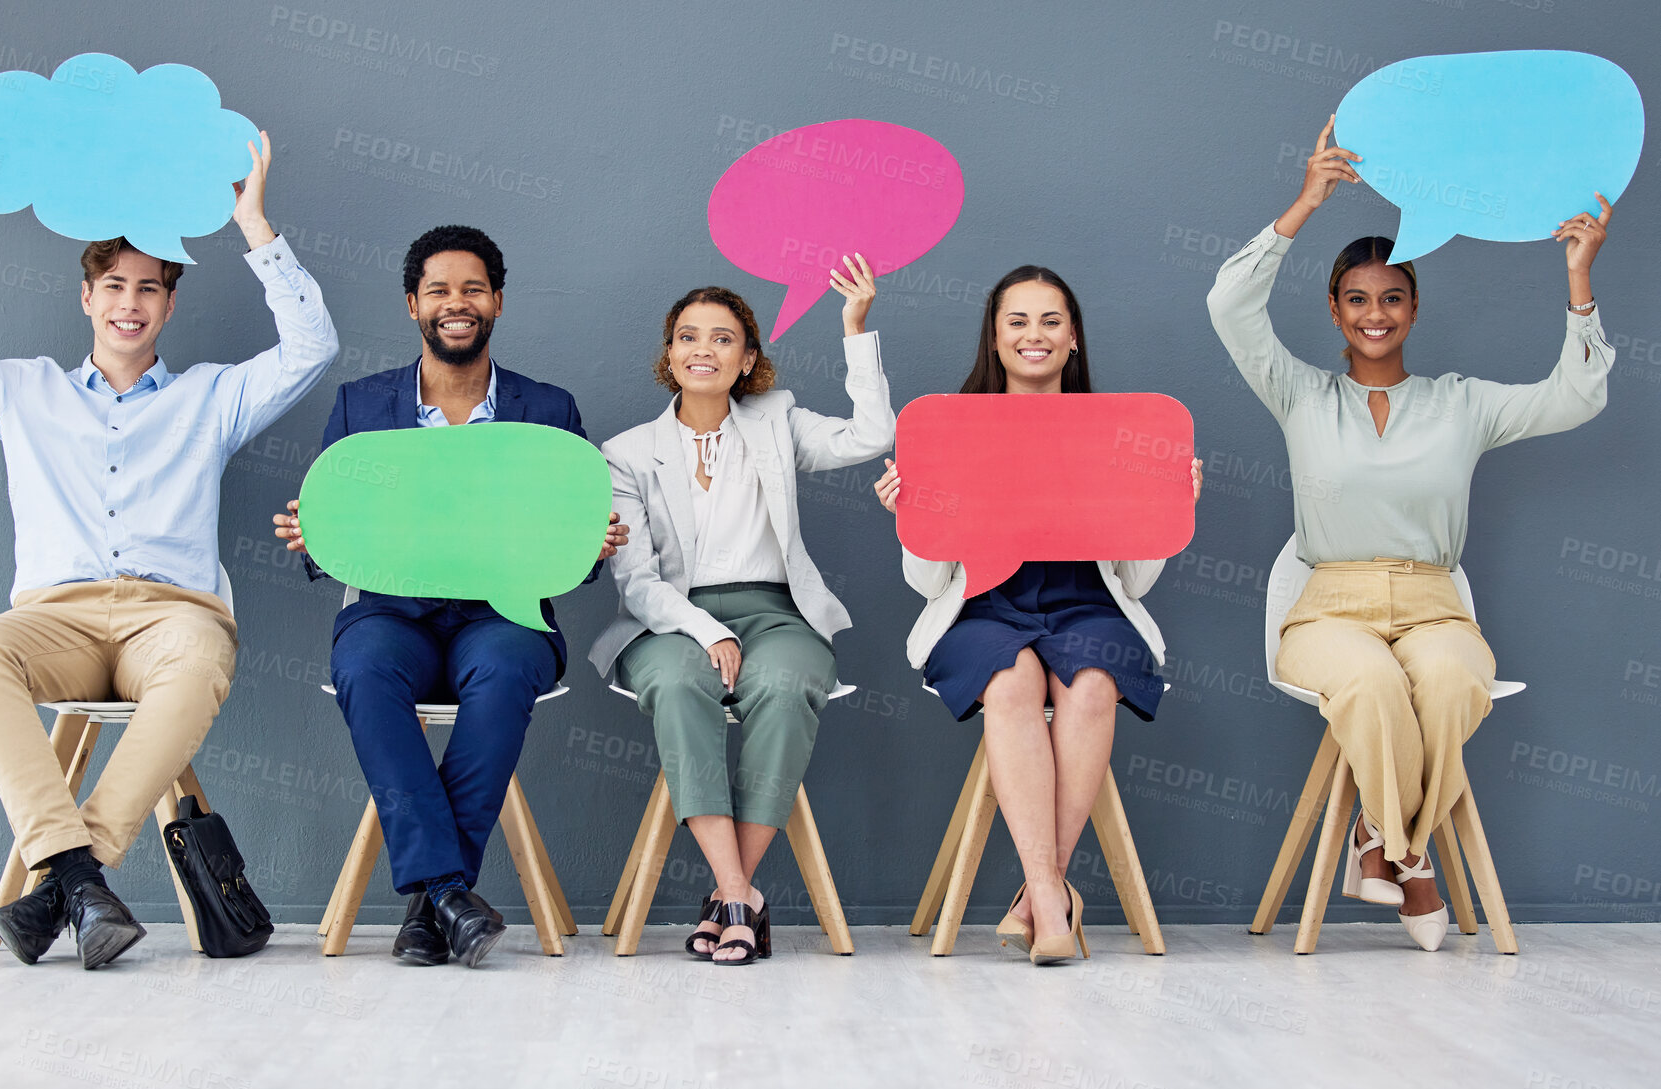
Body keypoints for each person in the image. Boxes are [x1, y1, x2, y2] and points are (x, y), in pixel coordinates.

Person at [0, 117, 338, 968]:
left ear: (170, 304)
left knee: (202, 656)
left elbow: (312, 346)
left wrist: (254, 228)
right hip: (55, 618)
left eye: (149, 288)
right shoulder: (21, 392)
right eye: (115, 285)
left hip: (171, 618)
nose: (130, 302)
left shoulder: (212, 397)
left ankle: (64, 874)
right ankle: (79, 876)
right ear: (87, 297)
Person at [1206, 116, 1614, 951]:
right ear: (1333, 309)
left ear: (1414, 308)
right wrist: (1306, 201)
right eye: (1356, 299)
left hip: (1434, 605)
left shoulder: (1460, 402)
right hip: (1329, 608)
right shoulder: (1300, 394)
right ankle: (1411, 857)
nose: (1374, 314)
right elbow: (1228, 306)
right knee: (1370, 687)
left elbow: (1575, 397)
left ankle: (1378, 838)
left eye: (1391, 297)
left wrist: (1578, 280)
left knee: (1457, 682)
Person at [273, 226, 626, 968]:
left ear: (497, 301)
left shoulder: (549, 409)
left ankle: (433, 896)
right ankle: (448, 892)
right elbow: (335, 517)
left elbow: (570, 541)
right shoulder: (361, 405)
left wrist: (590, 547)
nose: (455, 303)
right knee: (364, 670)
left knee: (504, 672)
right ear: (412, 305)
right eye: (438, 289)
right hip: (389, 611)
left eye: (472, 288)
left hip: (503, 613)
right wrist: (314, 534)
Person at [875, 266, 1201, 965]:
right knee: (1010, 680)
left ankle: (1039, 894)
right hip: (982, 608)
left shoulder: (1114, 433)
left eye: (1050, 320)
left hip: (1088, 601)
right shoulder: (951, 428)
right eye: (1016, 321)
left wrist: (1169, 505)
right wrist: (914, 517)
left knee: (1090, 685)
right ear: (993, 338)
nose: (1034, 335)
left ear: (1073, 336)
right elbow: (929, 581)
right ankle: (1052, 895)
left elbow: (1135, 582)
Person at [588, 259, 891, 965]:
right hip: (669, 617)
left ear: (747, 357)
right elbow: (633, 579)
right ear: (668, 354)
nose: (703, 349)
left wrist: (855, 329)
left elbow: (871, 437)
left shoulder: (776, 420)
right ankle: (738, 894)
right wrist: (707, 629)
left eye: (722, 338)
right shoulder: (625, 454)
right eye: (687, 336)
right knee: (676, 683)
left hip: (778, 611)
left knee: (785, 687)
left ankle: (730, 895)